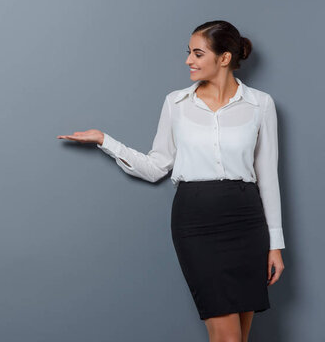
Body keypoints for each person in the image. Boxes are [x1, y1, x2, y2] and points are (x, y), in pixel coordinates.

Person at [57, 20, 285, 342]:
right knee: (228, 337)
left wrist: (275, 245)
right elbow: (155, 167)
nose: (188, 61)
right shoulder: (176, 103)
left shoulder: (261, 104)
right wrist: (105, 141)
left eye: (197, 53)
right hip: (196, 222)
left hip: (246, 220)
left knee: (241, 337)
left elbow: (268, 176)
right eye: (188, 53)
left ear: (224, 58)